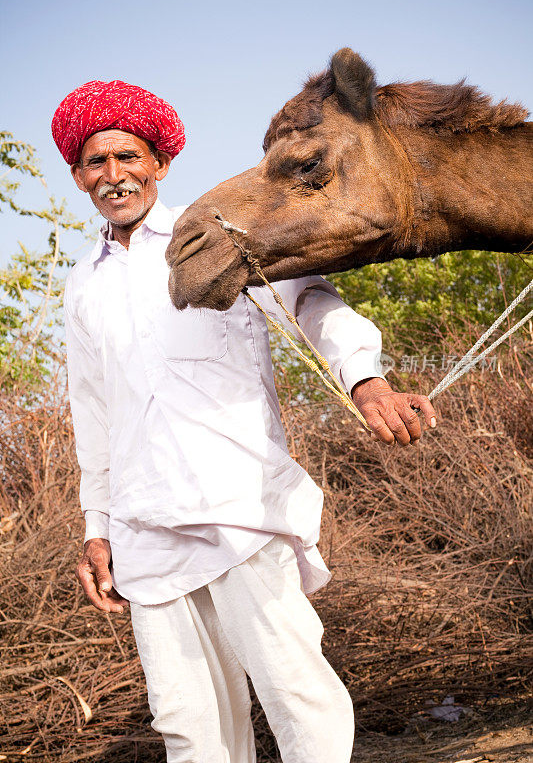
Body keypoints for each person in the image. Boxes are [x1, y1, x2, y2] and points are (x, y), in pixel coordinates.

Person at [53, 79, 437, 763]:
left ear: (159, 164)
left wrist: (365, 379)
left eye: (128, 157)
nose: (114, 176)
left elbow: (312, 300)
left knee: (295, 690)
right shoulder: (82, 283)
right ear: (79, 176)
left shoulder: (223, 234)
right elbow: (94, 412)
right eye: (96, 163)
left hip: (237, 504)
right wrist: (96, 527)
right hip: (144, 527)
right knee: (186, 719)